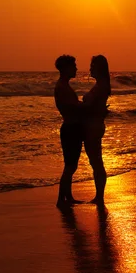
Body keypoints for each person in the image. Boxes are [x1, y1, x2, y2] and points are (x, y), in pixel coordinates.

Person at [54, 55, 85, 207]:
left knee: (71, 165)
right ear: (66, 68)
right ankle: (61, 199)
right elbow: (72, 107)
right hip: (70, 128)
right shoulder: (62, 87)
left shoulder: (63, 86)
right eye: (74, 66)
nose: (76, 68)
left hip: (72, 127)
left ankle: (68, 196)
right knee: (70, 166)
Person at [82, 55, 111, 205]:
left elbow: (92, 106)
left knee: (96, 162)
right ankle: (99, 196)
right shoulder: (101, 85)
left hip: (94, 126)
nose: (90, 69)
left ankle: (99, 197)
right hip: (94, 125)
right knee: (95, 162)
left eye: (93, 66)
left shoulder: (101, 86)